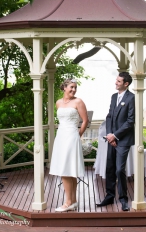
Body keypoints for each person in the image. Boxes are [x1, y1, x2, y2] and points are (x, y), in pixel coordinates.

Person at [96, 72, 135, 211]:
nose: (116, 83)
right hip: (111, 138)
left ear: (126, 84)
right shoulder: (113, 97)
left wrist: (115, 136)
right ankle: (109, 196)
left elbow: (130, 121)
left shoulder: (132, 98)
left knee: (119, 170)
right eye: (116, 80)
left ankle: (124, 199)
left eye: (119, 81)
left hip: (123, 140)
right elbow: (109, 117)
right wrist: (109, 135)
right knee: (110, 168)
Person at [49, 78, 89, 212]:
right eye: (71, 87)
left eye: (75, 87)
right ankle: (73, 201)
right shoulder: (58, 103)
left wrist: (78, 134)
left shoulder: (78, 101)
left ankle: (67, 203)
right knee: (68, 170)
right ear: (64, 88)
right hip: (61, 136)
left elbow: (85, 121)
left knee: (66, 169)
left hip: (72, 136)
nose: (73, 89)